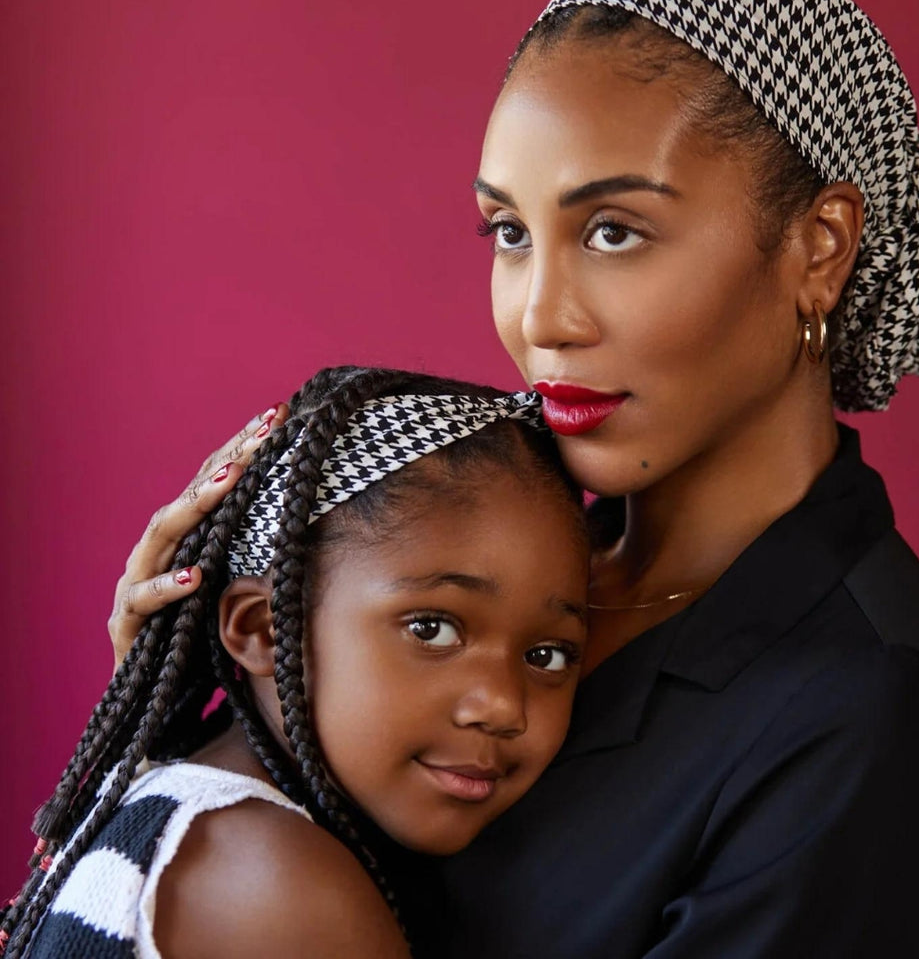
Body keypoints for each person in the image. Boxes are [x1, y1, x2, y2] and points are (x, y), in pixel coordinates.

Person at [102, 0, 919, 958]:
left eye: (615, 233)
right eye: (509, 232)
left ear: (818, 246)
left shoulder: (871, 721)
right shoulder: (509, 539)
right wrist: (211, 716)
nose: (540, 319)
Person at [0, 366, 591, 958]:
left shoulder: (167, 806)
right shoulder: (277, 885)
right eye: (432, 629)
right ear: (263, 629)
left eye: (547, 655)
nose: (503, 705)